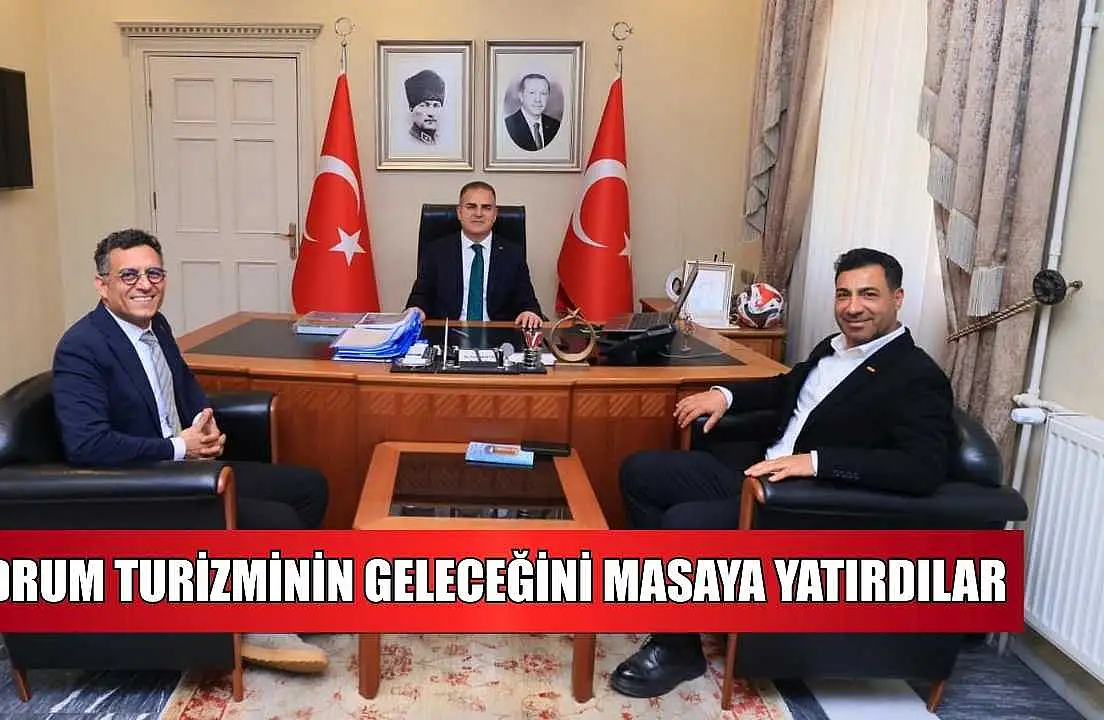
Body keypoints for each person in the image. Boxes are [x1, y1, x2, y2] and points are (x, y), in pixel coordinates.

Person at [609, 248, 956, 698]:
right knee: (640, 471)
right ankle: (673, 604)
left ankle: (677, 649)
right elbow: (787, 388)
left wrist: (816, 462)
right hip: (756, 473)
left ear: (898, 298)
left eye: (868, 294)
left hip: (801, 504)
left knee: (683, 522)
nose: (853, 307)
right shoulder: (832, 349)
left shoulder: (916, 375)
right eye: (844, 294)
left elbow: (923, 468)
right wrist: (724, 395)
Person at [52, 228, 332, 674]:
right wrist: (179, 447)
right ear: (102, 285)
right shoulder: (82, 347)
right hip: (142, 485)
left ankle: (284, 603)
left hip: (184, 465)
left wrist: (206, 423)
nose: (145, 285)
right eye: (129, 275)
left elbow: (182, 384)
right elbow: (87, 444)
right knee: (276, 520)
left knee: (309, 487)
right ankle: (254, 627)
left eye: (154, 274)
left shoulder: (155, 325)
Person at [405, 181, 543, 329]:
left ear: (495, 214)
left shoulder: (513, 254)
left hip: (498, 335)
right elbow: (420, 297)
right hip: (447, 333)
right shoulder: (436, 251)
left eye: (486, 208)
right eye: (471, 207)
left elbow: (528, 302)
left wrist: (530, 313)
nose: (478, 213)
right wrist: (417, 310)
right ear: (459, 212)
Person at [504, 74, 561, 151]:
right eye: (532, 93)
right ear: (521, 96)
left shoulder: (555, 125)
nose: (538, 99)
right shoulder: (509, 125)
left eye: (543, 93)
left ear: (548, 96)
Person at [405, 69, 445, 145]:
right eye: (425, 105)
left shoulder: (440, 142)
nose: (431, 113)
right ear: (411, 108)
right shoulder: (409, 142)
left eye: (436, 105)